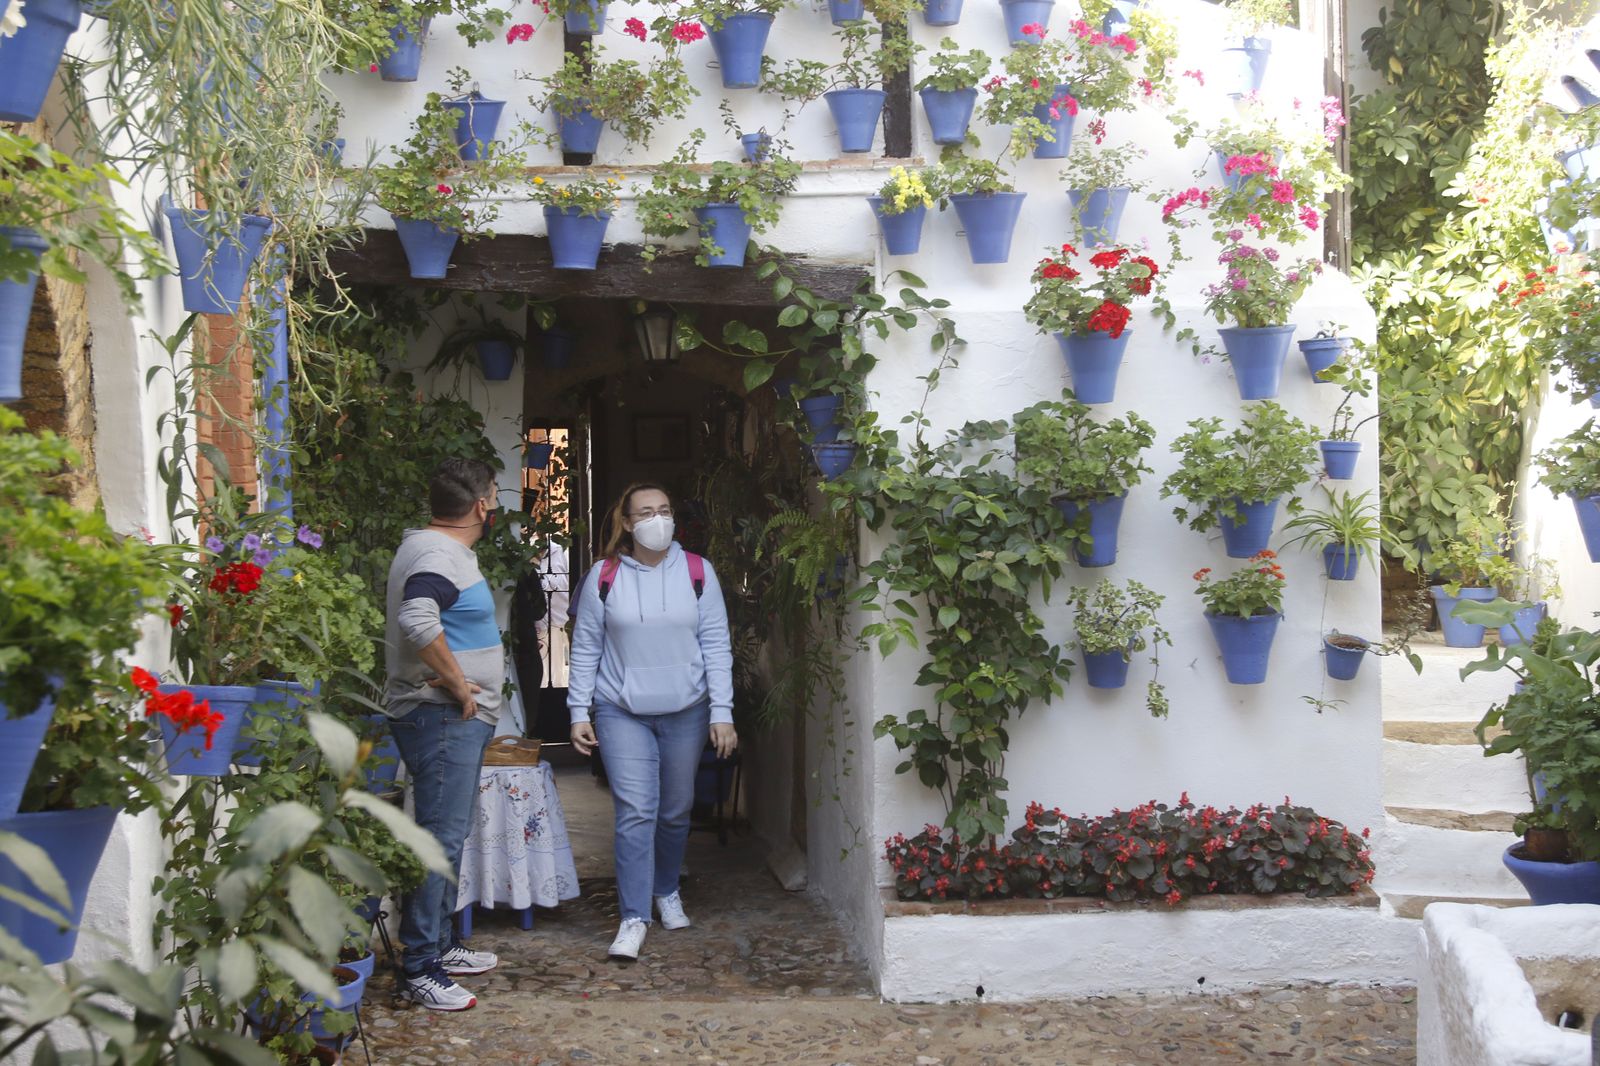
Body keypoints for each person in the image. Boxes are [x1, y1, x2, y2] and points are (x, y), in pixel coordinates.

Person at [567, 482, 737, 962]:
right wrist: (579, 710)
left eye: (664, 510)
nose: (657, 519)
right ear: (626, 522)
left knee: (675, 810)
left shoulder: (699, 573)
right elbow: (585, 649)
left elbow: (716, 646)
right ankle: (633, 916)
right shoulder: (604, 576)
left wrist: (721, 712)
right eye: (646, 512)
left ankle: (666, 889)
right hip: (622, 710)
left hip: (687, 709)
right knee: (636, 811)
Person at [381, 458, 504, 1011]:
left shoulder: (436, 548)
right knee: (438, 838)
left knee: (446, 834)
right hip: (440, 717)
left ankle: (442, 944)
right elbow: (417, 617)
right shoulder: (436, 553)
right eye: (495, 495)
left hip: (448, 718)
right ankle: (420, 967)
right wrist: (459, 685)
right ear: (481, 504)